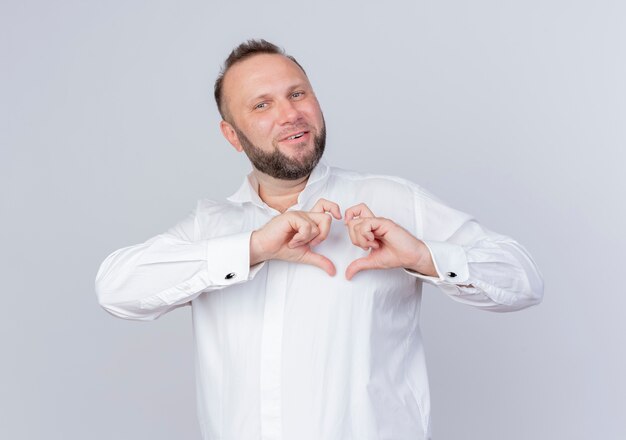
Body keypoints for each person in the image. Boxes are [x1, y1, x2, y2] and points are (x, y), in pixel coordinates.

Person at [96, 39, 543, 440]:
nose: (290, 114)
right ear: (232, 136)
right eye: (261, 105)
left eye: (297, 93)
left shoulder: (390, 200)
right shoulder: (211, 227)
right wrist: (253, 248)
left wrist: (425, 257)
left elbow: (522, 280)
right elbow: (116, 290)